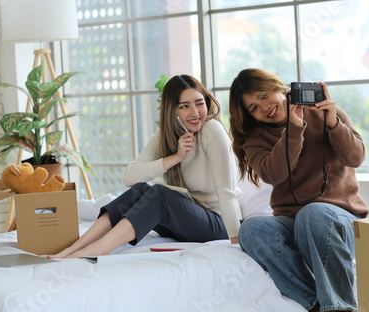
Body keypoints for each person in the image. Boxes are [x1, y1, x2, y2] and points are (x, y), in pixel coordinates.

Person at [228, 68, 369, 312]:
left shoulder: (324, 112)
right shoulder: (256, 139)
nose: (265, 108)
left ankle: (347, 308)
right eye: (254, 108)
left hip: (341, 221)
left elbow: (356, 158)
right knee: (251, 228)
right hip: (294, 223)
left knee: (313, 213)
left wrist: (333, 123)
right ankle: (317, 306)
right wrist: (294, 128)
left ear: (279, 87)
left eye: (265, 95)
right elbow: (274, 173)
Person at [50, 74, 241, 259]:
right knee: (141, 190)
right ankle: (76, 247)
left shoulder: (212, 130)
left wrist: (236, 242)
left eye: (200, 103)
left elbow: (226, 191)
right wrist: (175, 158)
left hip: (220, 224)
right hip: (188, 222)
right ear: (172, 111)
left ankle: (99, 249)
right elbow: (130, 177)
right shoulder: (165, 136)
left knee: (160, 194)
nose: (195, 112)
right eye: (185, 106)